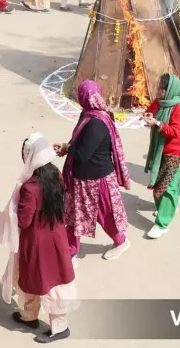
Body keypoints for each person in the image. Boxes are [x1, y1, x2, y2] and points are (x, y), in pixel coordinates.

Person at [0, 133, 76, 343]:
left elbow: (23, 221)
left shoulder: (30, 188)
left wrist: (12, 209)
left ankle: (53, 326)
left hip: (36, 243)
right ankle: (35, 318)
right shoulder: (56, 175)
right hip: (56, 239)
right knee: (54, 281)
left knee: (32, 279)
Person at [53, 80, 130, 260]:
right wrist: (67, 145)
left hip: (97, 180)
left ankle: (121, 241)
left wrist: (67, 148)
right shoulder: (87, 114)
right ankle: (71, 252)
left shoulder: (97, 122)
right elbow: (79, 142)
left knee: (106, 216)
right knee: (74, 216)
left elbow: (82, 154)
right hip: (80, 178)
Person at [143, 74, 180, 238]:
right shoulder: (160, 102)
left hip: (174, 151)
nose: (159, 91)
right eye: (159, 88)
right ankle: (170, 207)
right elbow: (150, 111)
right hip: (160, 149)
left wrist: (157, 123)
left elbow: (175, 131)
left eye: (163, 89)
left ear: (171, 90)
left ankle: (162, 223)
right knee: (162, 181)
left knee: (167, 186)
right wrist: (148, 116)